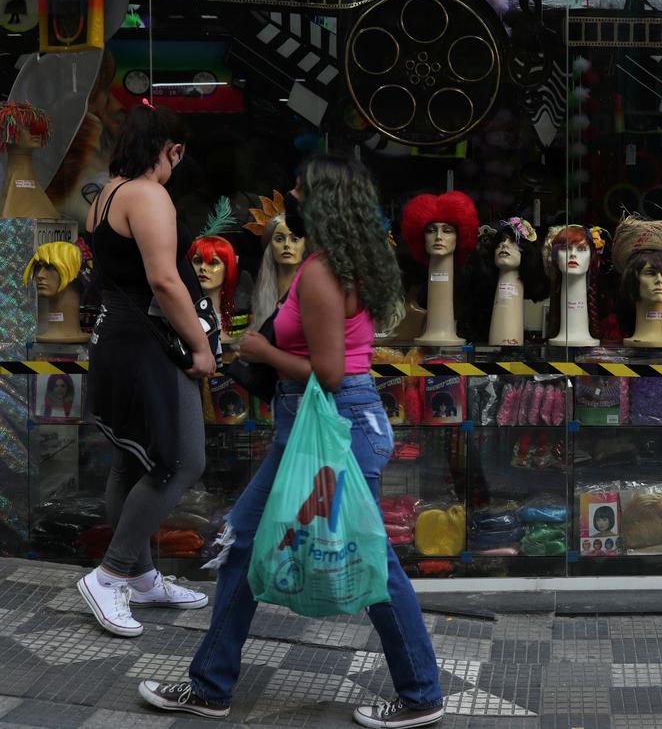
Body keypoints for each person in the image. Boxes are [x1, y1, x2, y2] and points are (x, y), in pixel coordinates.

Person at [136, 155, 443, 729]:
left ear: (322, 202)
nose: (291, 196)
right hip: (319, 426)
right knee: (243, 544)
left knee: (369, 561)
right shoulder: (344, 264)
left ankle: (422, 693)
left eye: (299, 189)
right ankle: (210, 686)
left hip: (332, 425)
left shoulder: (326, 273)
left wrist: (260, 351)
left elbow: (329, 373)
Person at [78, 103, 213, 639]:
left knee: (132, 463)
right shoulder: (149, 195)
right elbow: (165, 281)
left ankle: (142, 578)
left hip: (115, 337)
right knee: (181, 461)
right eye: (179, 156)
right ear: (172, 150)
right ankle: (110, 575)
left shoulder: (107, 193)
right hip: (147, 343)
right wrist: (201, 346)